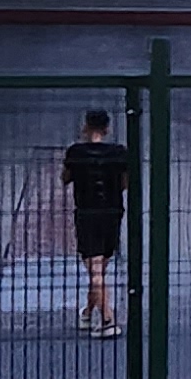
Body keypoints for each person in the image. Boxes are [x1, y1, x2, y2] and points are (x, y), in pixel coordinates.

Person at [63, 107, 133, 337]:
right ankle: (86, 313)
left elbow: (65, 179)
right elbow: (125, 184)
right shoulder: (119, 153)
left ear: (85, 127)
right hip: (112, 212)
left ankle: (107, 320)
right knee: (100, 267)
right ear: (107, 128)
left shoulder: (76, 152)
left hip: (86, 213)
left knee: (94, 269)